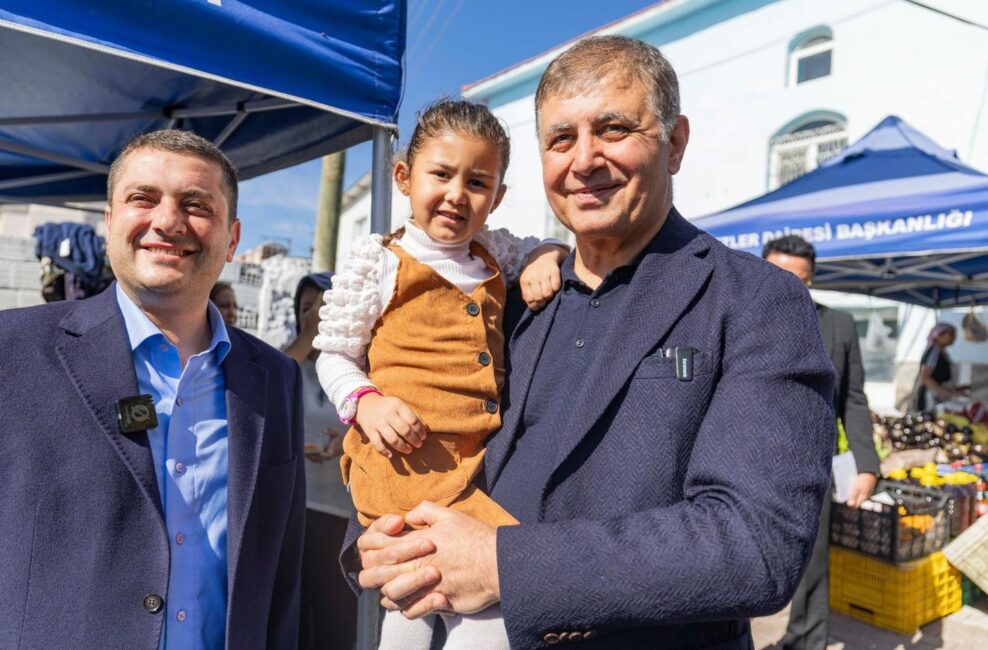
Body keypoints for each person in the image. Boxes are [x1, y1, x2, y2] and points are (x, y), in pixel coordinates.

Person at [350, 36, 836, 650]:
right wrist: (379, 541)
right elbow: (409, 421)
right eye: (560, 139)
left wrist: (504, 565)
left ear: (675, 143)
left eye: (613, 129)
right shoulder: (504, 298)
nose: (584, 160)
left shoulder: (753, 299)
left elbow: (756, 544)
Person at [0, 130, 305, 649]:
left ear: (233, 237)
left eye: (196, 205)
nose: (168, 221)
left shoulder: (274, 379)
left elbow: (281, 580)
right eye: (143, 198)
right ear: (109, 222)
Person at [314, 98, 568, 649]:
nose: (457, 194)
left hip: (470, 467)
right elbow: (333, 353)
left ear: (497, 196)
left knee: (424, 600)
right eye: (441, 174)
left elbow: (546, 245)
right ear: (404, 177)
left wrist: (548, 256)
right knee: (479, 600)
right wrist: (366, 401)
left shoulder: (495, 252)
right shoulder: (380, 261)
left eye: (477, 183)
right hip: (404, 464)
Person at [763, 234, 881, 650]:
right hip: (744, 458)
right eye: (776, 274)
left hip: (812, 463)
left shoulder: (838, 325)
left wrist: (867, 464)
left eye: (798, 278)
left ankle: (805, 641)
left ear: (811, 279)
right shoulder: (736, 316)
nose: (787, 285)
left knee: (812, 562)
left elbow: (853, 398)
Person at [283, 271, 359, 650]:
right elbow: (266, 390)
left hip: (342, 519)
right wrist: (308, 337)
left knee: (335, 627)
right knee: (292, 624)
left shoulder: (359, 367)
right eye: (305, 308)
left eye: (322, 306)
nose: (312, 315)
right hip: (294, 513)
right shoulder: (288, 362)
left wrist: (347, 443)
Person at [917, 323, 963, 411]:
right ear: (939, 336)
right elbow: (925, 378)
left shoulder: (941, 353)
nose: (954, 337)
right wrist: (948, 393)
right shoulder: (934, 352)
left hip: (938, 395)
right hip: (931, 397)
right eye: (951, 334)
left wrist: (953, 391)